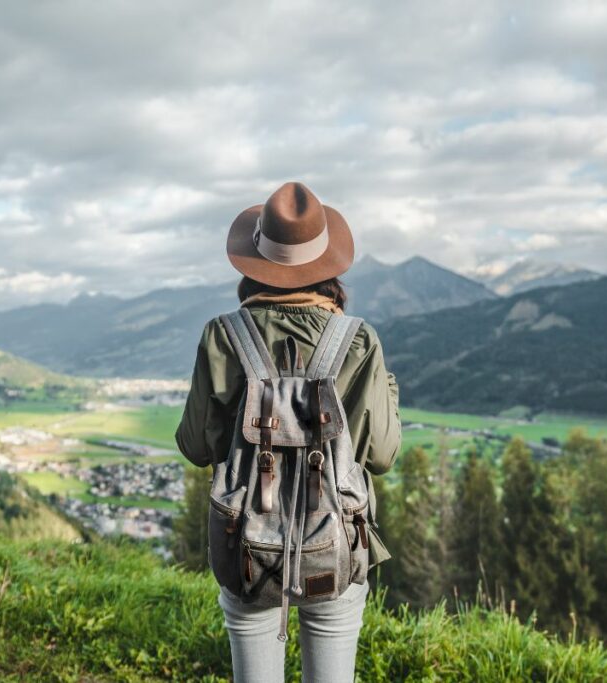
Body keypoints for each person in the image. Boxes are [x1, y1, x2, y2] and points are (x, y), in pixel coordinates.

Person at [175, 181, 401, 682]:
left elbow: (195, 445)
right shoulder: (358, 340)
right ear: (328, 265)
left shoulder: (222, 335)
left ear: (256, 259)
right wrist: (387, 388)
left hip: (247, 544)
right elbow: (382, 455)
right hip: (337, 541)